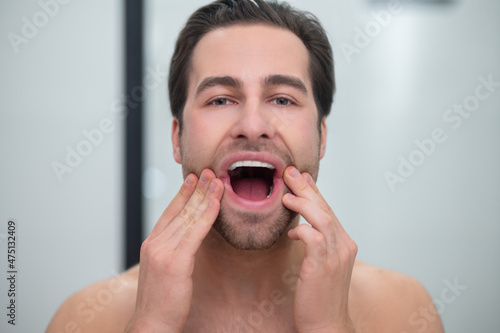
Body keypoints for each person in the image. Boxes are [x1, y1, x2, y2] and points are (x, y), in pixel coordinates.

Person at [47, 0, 445, 332]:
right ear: (176, 137)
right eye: (220, 99)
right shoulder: (85, 318)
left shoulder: (404, 310)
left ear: (321, 137)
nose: (253, 126)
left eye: (283, 99)